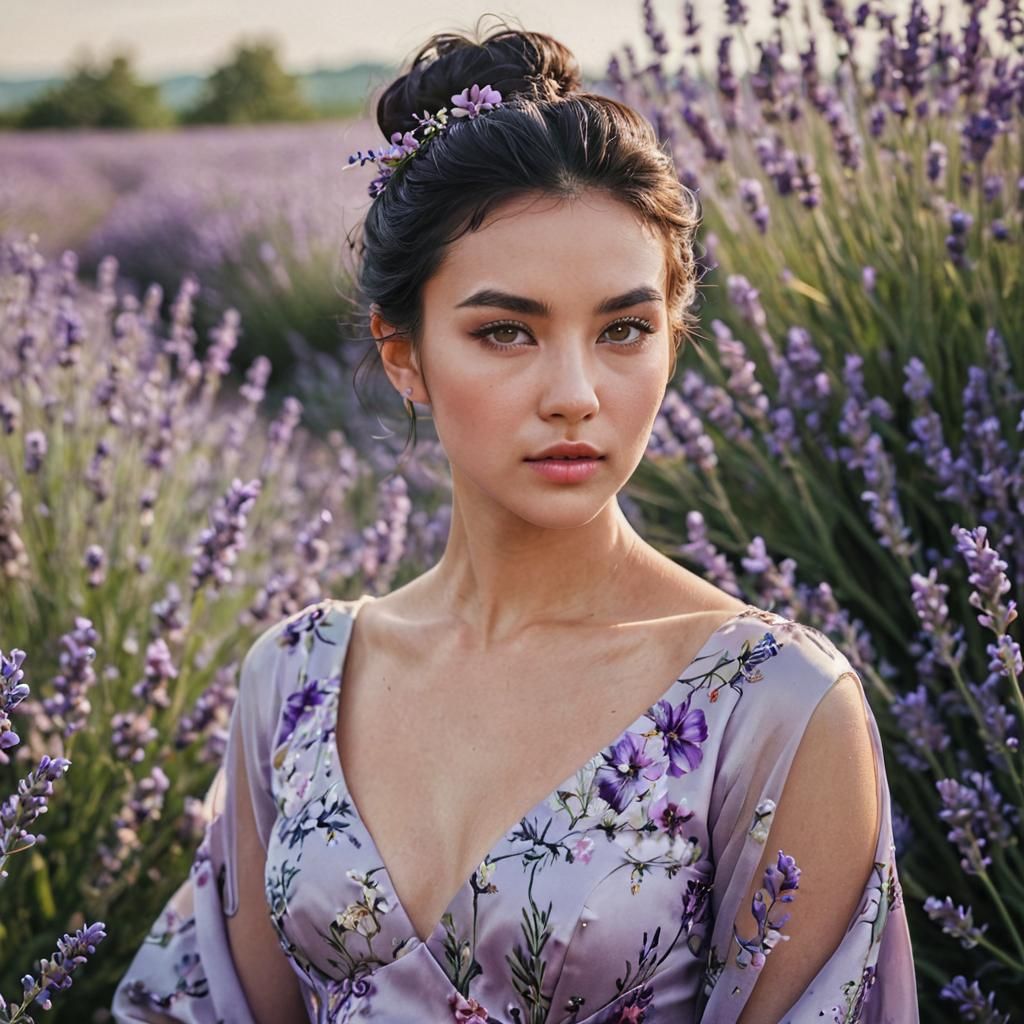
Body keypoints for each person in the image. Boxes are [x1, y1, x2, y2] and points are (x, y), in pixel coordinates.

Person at [112, 20, 918, 1024]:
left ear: (673, 335)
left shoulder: (771, 708)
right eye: (506, 331)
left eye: (623, 329)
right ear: (402, 353)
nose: (575, 392)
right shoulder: (295, 678)